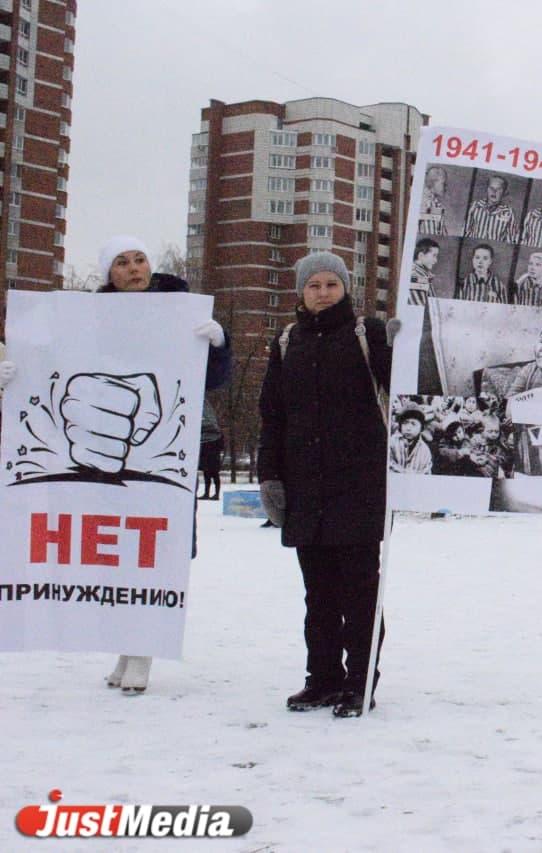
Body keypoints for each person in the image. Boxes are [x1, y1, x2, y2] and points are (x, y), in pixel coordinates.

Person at [87, 236, 229, 695]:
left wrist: (217, 345)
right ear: (109, 275)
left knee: (153, 552)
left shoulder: (181, 311)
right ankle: (126, 648)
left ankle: (143, 651)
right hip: (107, 449)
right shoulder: (89, 319)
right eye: (121, 262)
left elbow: (214, 380)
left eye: (140, 259)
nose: (134, 268)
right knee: (117, 554)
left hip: (162, 450)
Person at [257, 251, 393, 718]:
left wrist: (402, 346)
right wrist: (270, 476)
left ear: (345, 289)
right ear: (301, 291)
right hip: (304, 488)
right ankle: (323, 678)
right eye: (313, 285)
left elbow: (403, 390)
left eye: (331, 285)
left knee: (360, 593)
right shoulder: (287, 341)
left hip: (358, 486)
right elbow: (272, 416)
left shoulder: (367, 334)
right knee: (318, 595)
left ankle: (360, 683)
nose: (322, 293)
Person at [464, 174, 519, 243]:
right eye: (491, 188)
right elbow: (466, 231)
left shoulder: (508, 212)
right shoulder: (475, 206)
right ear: (487, 189)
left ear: (504, 192)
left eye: (498, 189)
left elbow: (511, 239)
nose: (494, 191)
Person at [389, 407, 433, 474]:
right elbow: (388, 465)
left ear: (421, 428)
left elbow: (426, 472)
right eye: (405, 423)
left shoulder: (425, 450)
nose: (408, 428)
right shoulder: (392, 442)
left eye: (413, 424)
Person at [198, 401, 224, 500]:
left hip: (211, 456)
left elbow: (220, 446)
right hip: (209, 456)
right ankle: (208, 493)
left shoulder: (215, 434)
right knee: (208, 475)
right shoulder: (213, 434)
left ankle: (214, 494)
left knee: (213, 475)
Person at [419, 165, 449, 237]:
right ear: (433, 182)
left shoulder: (436, 203)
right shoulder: (426, 203)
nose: (446, 187)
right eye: (443, 183)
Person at [408, 237, 439, 304]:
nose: (436, 260)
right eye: (434, 256)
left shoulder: (423, 274)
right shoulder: (417, 276)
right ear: (421, 256)